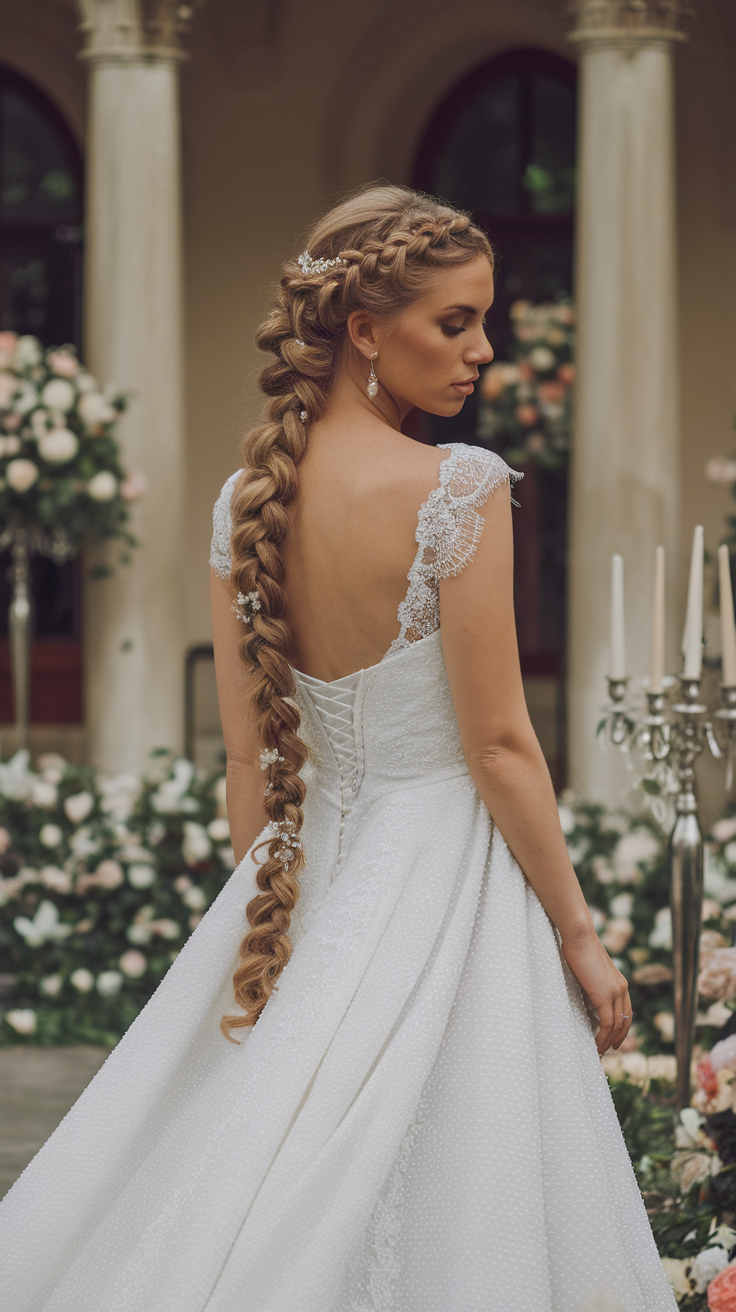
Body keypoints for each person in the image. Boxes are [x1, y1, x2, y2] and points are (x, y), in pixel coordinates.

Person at [0, 184, 676, 1312]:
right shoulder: (458, 487)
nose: (483, 350)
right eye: (452, 322)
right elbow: (502, 744)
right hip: (445, 880)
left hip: (302, 870)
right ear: (363, 329)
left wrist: (269, 915)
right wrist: (579, 933)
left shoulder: (242, 505)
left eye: (484, 319)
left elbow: (247, 765)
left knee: (253, 1157)